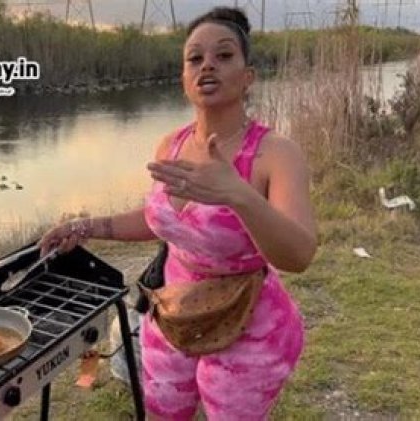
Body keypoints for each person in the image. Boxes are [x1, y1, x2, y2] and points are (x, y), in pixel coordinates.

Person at [38, 7, 317, 420]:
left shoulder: (275, 154)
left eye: (224, 55)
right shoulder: (171, 144)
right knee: (163, 411)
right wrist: (87, 226)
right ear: (184, 79)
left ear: (248, 77)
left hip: (251, 321)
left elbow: (299, 254)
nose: (207, 65)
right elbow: (161, 221)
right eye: (194, 58)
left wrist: (240, 195)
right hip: (175, 313)